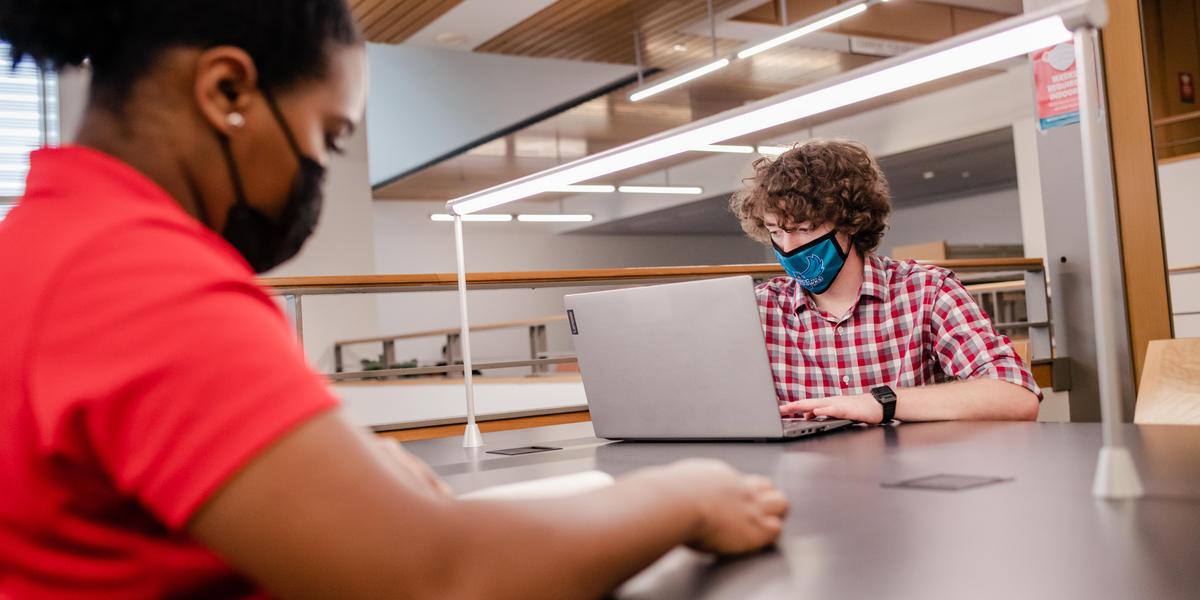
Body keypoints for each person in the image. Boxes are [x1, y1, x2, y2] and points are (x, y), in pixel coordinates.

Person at [0, 2, 788, 598]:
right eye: (330, 136)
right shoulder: (141, 279)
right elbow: (441, 575)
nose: (322, 167)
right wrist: (685, 495)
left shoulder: (44, 246)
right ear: (227, 89)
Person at [729, 139, 1040, 425]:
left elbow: (1015, 394)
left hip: (907, 474)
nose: (788, 246)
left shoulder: (927, 290)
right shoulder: (757, 310)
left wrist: (883, 403)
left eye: (805, 228)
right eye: (775, 231)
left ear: (850, 223)